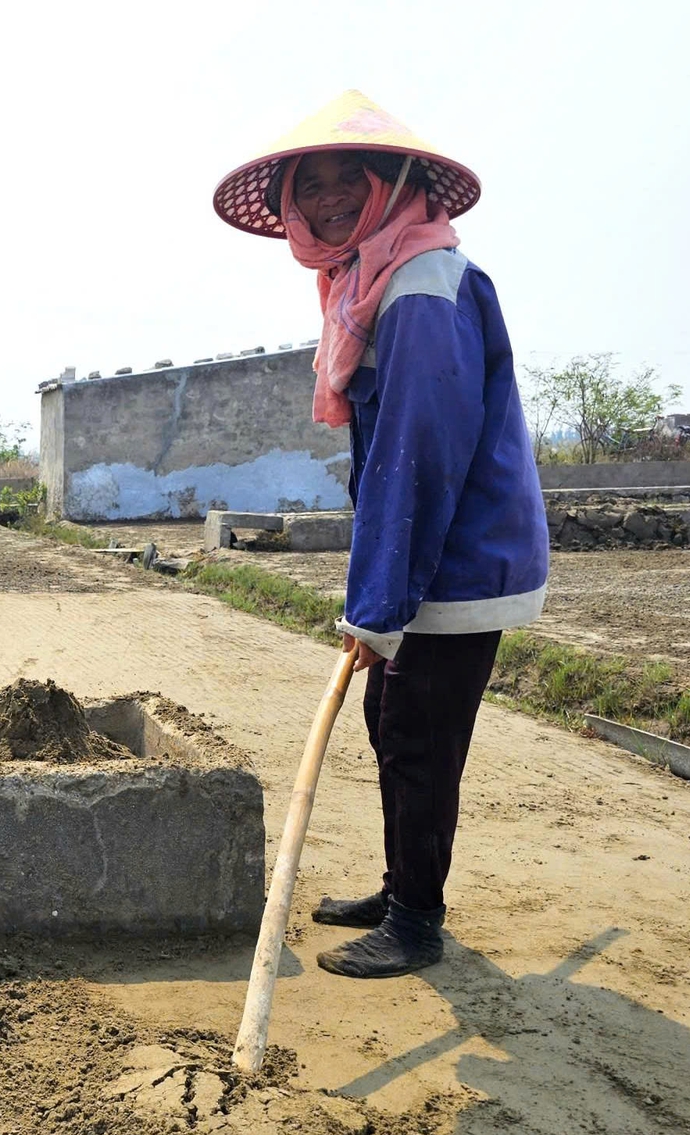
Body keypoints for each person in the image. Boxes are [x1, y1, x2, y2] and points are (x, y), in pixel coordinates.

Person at [211, 91, 549, 979]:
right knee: (388, 716)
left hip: (459, 559)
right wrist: (381, 600)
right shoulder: (375, 278)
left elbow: (420, 455)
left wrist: (380, 606)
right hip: (427, 556)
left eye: (341, 180)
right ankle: (404, 886)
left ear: (390, 181)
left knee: (419, 733)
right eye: (306, 185)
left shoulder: (423, 287)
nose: (323, 199)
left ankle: (416, 920)